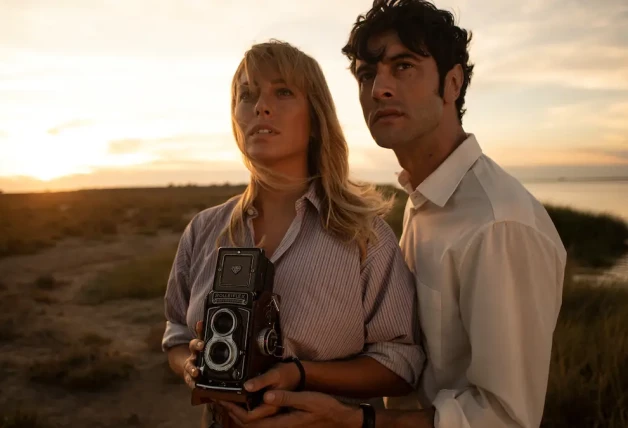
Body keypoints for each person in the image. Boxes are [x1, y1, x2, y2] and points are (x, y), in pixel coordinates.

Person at [220, 0, 568, 427]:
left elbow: (505, 418)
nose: (379, 89)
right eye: (367, 75)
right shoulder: (426, 202)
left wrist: (357, 422)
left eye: (402, 67)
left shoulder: (499, 224)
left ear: (453, 82)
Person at [161, 39, 426, 427]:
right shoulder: (204, 231)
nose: (260, 106)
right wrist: (192, 365)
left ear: (316, 118)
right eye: (246, 95)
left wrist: (300, 374)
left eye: (282, 92)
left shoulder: (363, 236)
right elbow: (177, 334)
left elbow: (401, 365)